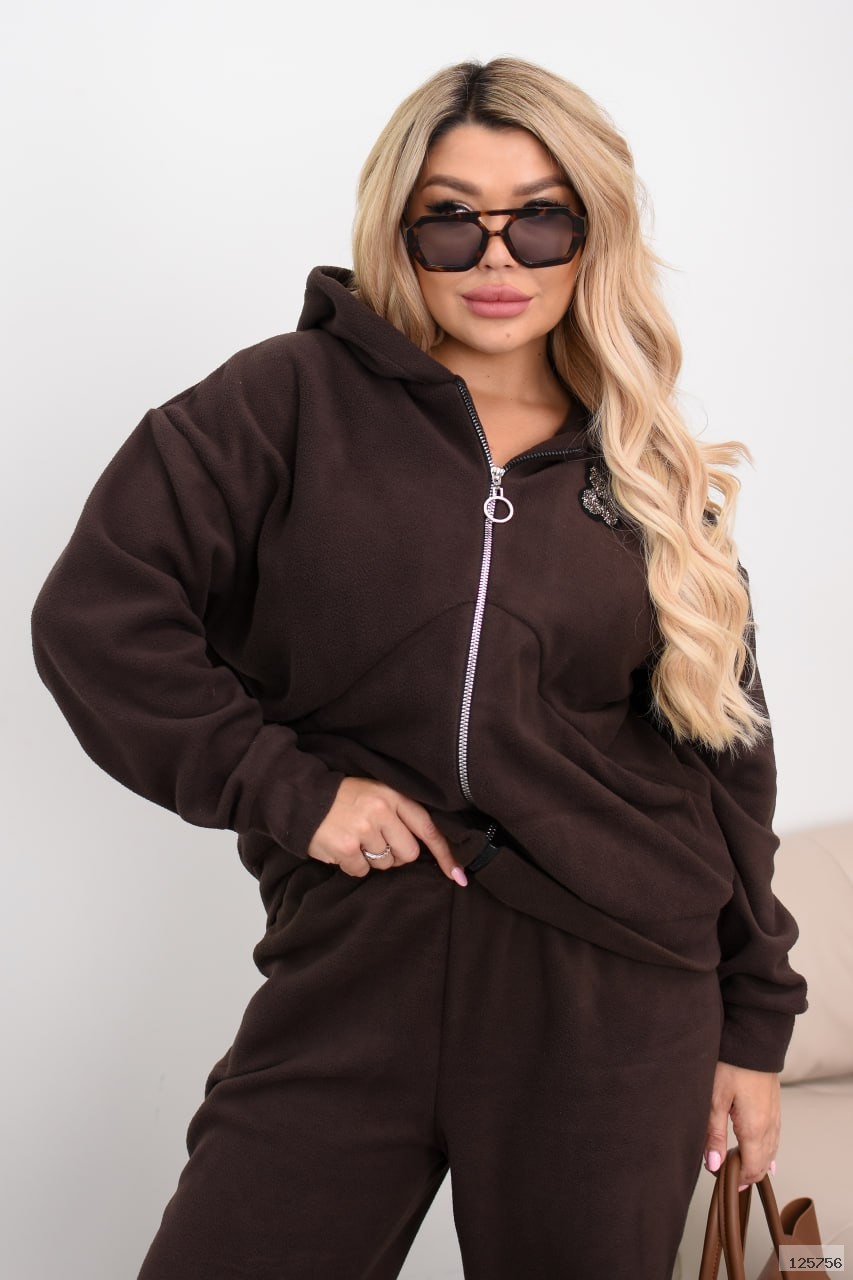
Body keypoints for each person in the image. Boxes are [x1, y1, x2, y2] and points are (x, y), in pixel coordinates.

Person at [31, 56, 808, 1279]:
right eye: (451, 221)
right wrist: (291, 790)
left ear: (592, 233)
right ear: (398, 232)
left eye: (539, 219)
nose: (497, 259)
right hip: (353, 960)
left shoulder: (646, 466)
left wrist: (753, 1022)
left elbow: (727, 763)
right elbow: (99, 612)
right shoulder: (284, 402)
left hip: (609, 995)